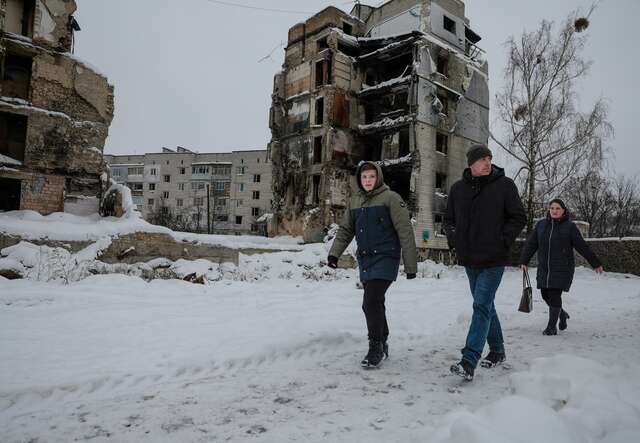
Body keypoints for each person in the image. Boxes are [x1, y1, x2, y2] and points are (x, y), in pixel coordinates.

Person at [444, 144, 526, 381]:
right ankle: (498, 351)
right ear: (471, 163)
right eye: (482, 159)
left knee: (480, 305)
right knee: (486, 305)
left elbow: (518, 216)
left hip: (494, 258)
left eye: (489, 158)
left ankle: (469, 360)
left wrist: (503, 239)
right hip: (469, 258)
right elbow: (448, 220)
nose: (487, 162)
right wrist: (453, 238)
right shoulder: (458, 189)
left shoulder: (505, 186)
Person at [328, 161, 418, 369]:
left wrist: (410, 265)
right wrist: (334, 254)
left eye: (371, 177)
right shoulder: (355, 201)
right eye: (364, 177)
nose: (368, 181)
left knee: (370, 302)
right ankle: (383, 340)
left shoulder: (391, 199)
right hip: (366, 260)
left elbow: (405, 231)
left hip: (386, 258)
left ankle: (375, 347)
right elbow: (345, 230)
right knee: (376, 302)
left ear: (378, 178)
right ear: (359, 180)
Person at [520, 198, 604, 335]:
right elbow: (531, 244)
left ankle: (551, 327)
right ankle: (562, 314)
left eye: (558, 208)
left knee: (554, 294)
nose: (554, 211)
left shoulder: (569, 227)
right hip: (544, 268)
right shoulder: (541, 225)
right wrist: (524, 261)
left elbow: (582, 246)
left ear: (563, 210)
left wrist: (595, 262)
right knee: (545, 295)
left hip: (562, 267)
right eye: (552, 208)